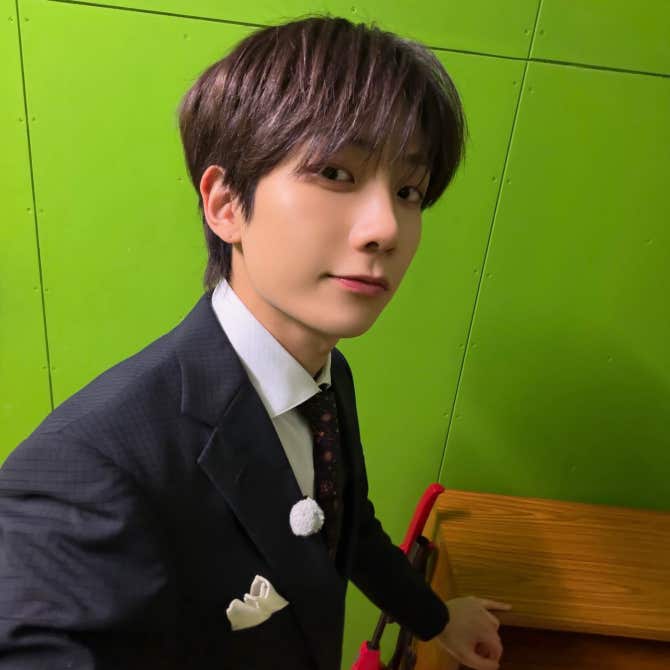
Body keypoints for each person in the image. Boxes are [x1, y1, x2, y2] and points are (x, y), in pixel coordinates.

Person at [0, 13, 511, 670]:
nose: (386, 226)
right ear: (225, 204)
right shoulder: (83, 472)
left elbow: (342, 523)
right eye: (336, 173)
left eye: (409, 190)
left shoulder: (324, 376)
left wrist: (436, 618)